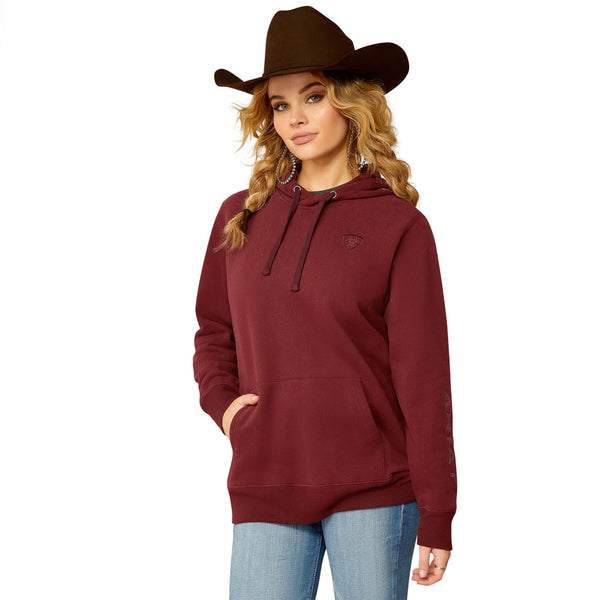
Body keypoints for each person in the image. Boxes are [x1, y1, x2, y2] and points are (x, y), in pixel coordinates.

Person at [192, 6, 457, 599]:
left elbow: (423, 376)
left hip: (375, 488)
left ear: (351, 102)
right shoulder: (240, 216)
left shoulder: (398, 225)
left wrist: (438, 510)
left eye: (313, 97)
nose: (295, 118)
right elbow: (213, 331)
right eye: (280, 104)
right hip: (266, 478)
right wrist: (225, 407)